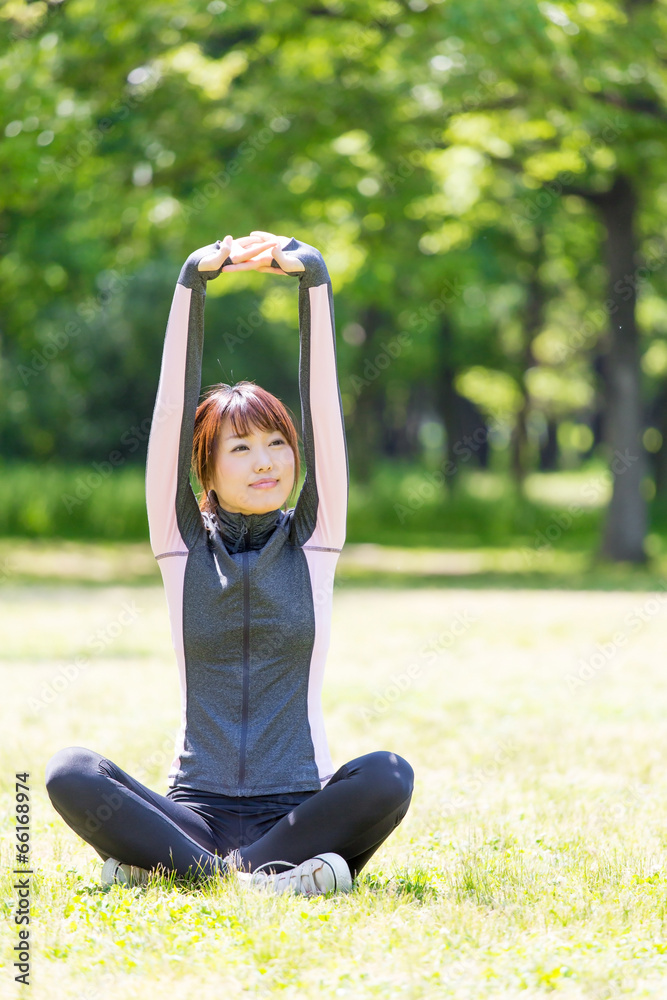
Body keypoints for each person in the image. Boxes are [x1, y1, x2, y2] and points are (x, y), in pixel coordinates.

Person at [45, 230, 414, 897]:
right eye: (241, 448)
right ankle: (270, 880)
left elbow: (323, 408)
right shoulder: (180, 546)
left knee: (389, 773)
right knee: (69, 771)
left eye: (277, 443)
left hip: (298, 808)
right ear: (206, 468)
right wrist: (192, 284)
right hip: (194, 811)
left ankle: (190, 874)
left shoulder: (315, 540)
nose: (267, 460)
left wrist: (315, 283)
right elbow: (168, 412)